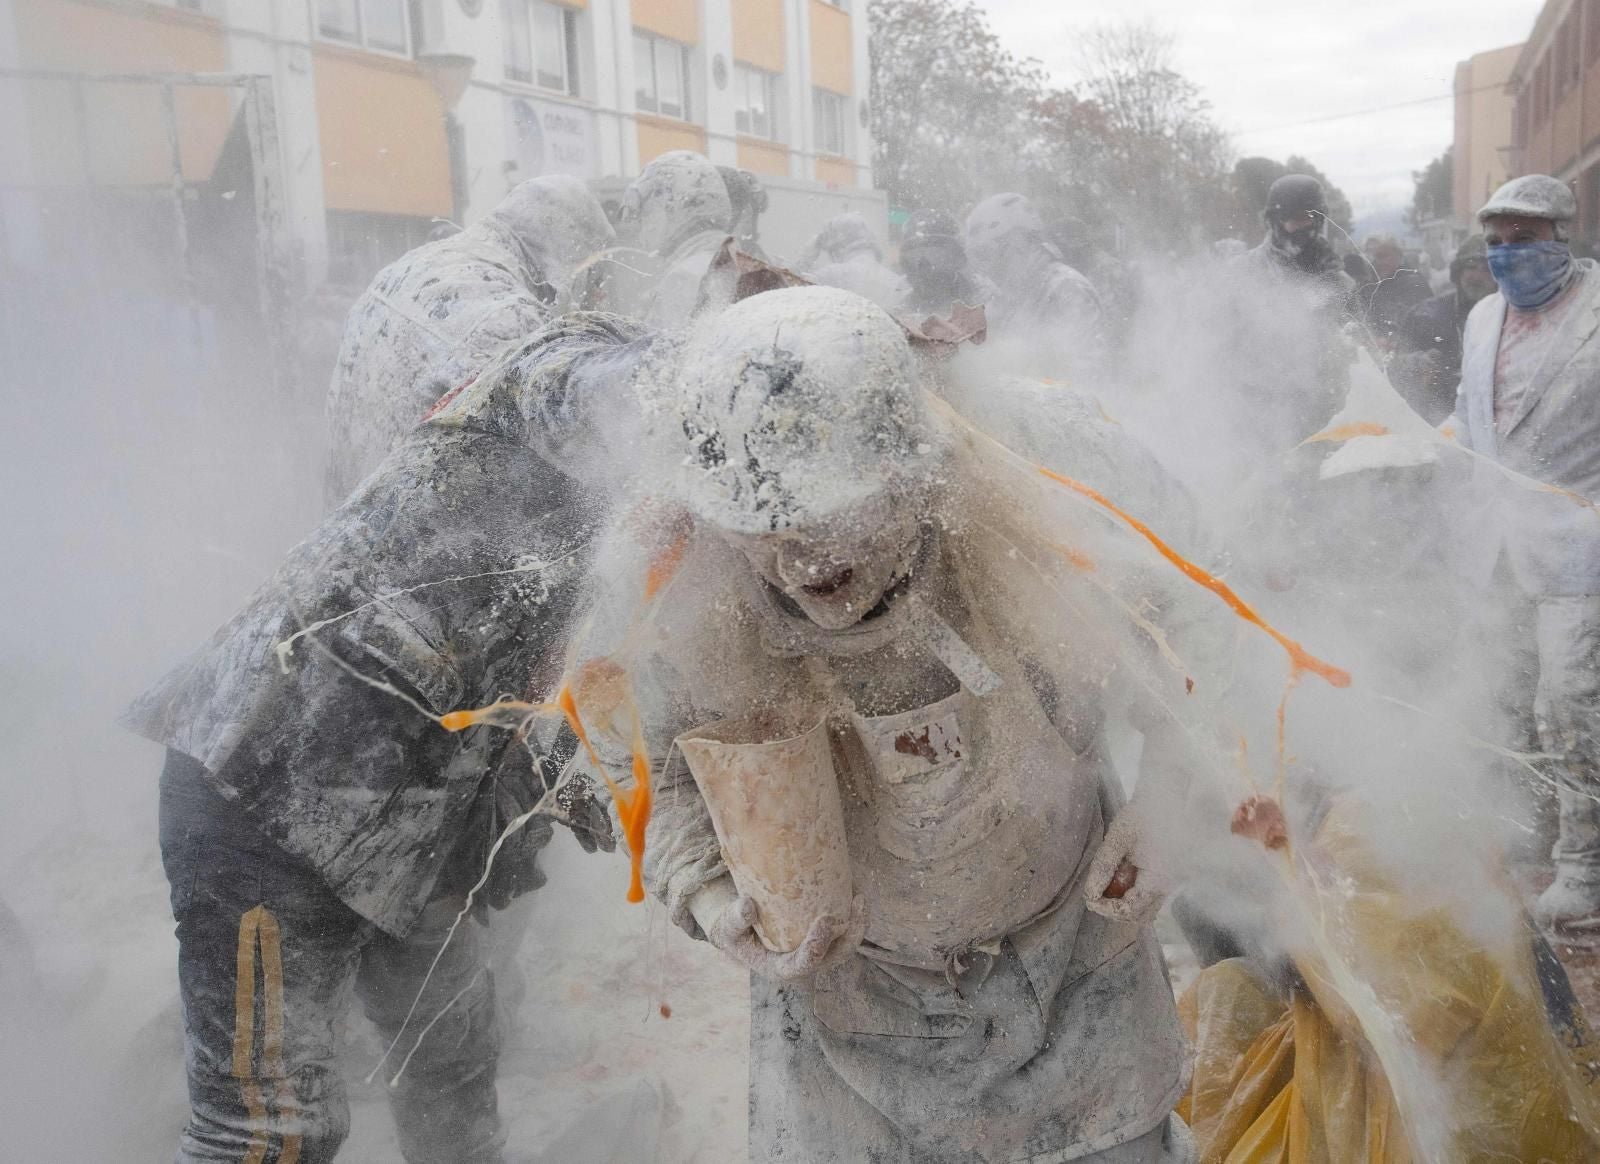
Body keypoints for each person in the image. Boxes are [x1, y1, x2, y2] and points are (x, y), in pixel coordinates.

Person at [478, 284, 1232, 1162]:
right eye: (764, 527)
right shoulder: (687, 596)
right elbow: (645, 768)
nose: (801, 555)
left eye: (835, 514)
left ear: (914, 476)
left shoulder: (1031, 534)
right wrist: (711, 896)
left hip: (1076, 985)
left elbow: (1201, 665)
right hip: (847, 1023)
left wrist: (1172, 809)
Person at [125, 341, 620, 1161]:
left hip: (415, 832)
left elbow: (545, 701)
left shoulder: (576, 540)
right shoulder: (530, 413)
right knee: (268, 1133)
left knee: (451, 1056)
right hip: (268, 802)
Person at [1450, 174, 1600, 933]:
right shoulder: (1482, 317)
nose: (1508, 256)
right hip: (1498, 546)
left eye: (1524, 240)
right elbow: (1472, 415)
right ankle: (1521, 835)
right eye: (1496, 242)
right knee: (1501, 697)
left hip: (1582, 549)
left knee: (1572, 704)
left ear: (1560, 237)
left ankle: (1587, 867)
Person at [322, 174, 614, 505]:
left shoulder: (412, 266)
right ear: (564, 255)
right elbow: (548, 469)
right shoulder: (505, 317)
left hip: (350, 510)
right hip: (409, 537)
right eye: (592, 272)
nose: (596, 291)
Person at [964, 192, 1107, 381]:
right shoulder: (1006, 299)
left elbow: (1085, 372)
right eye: (980, 257)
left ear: (1019, 241)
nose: (989, 268)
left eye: (989, 253)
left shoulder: (1066, 288)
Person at [615, 149, 734, 326]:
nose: (642, 227)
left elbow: (666, 351)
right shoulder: (732, 259)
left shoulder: (684, 277)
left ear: (670, 206)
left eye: (646, 211)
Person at [1388, 235, 1495, 423]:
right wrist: (1418, 362)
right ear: (1458, 271)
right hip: (1434, 420)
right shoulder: (1425, 315)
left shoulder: (1512, 318)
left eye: (1488, 268)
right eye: (1471, 267)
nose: (1478, 276)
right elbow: (1393, 366)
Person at [794, 211, 907, 309]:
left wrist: (806, 258)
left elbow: (790, 297)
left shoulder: (832, 275)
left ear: (838, 245)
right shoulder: (896, 282)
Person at [896, 208, 987, 317]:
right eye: (914, 255)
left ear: (956, 257)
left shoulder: (983, 301)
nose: (924, 264)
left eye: (935, 253)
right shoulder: (898, 306)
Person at [1358, 234, 1433, 348]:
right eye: (1371, 256)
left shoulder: (1413, 284)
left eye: (1382, 256)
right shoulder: (1366, 287)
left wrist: (1391, 342)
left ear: (1398, 256)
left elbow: (1423, 327)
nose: (1376, 262)